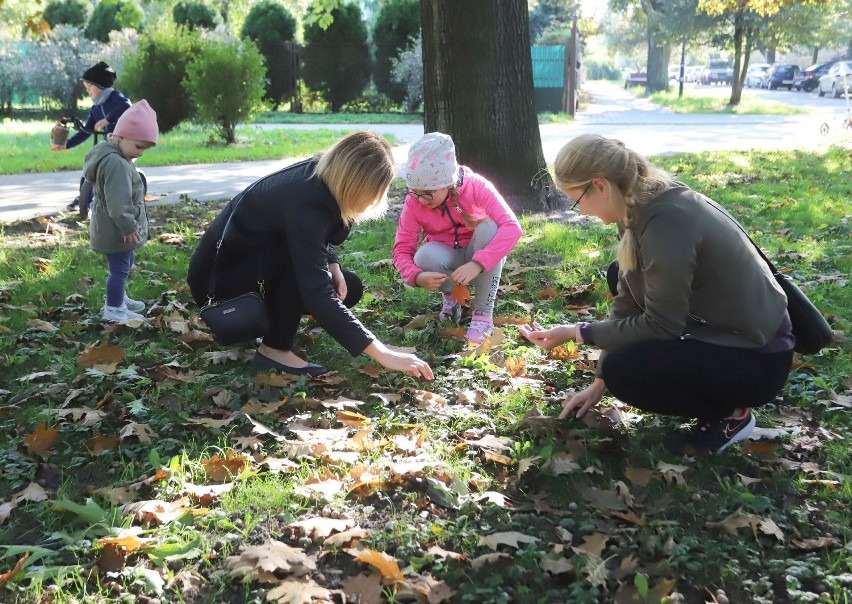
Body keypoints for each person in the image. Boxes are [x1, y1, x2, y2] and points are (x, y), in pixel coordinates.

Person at [520, 134, 794, 453]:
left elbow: (663, 325)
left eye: (576, 201)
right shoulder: (637, 203)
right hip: (724, 331)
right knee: (615, 284)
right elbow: (627, 299)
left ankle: (732, 414)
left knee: (625, 372)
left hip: (758, 359)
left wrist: (578, 333)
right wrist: (599, 381)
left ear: (599, 185)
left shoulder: (666, 223)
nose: (581, 212)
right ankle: (700, 384)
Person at [187, 131, 434, 380]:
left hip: (251, 266)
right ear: (358, 184)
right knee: (308, 276)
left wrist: (332, 264)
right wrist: (384, 354)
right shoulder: (306, 205)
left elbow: (310, 237)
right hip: (218, 284)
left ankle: (275, 321)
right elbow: (316, 290)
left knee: (349, 286)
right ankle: (275, 348)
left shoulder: (318, 179)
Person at [392, 132, 522, 343]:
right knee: (424, 256)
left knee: (489, 227)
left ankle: (482, 314)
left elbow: (512, 227)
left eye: (428, 193)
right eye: (415, 192)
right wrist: (415, 276)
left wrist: (478, 263)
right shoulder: (415, 201)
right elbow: (402, 248)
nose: (421, 200)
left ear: (447, 183)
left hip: (478, 253)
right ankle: (453, 299)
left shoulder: (476, 186)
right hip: (448, 257)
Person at [85, 100, 158, 323]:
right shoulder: (116, 164)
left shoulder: (112, 155)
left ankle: (119, 298)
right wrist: (129, 227)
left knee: (122, 266)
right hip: (117, 228)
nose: (141, 153)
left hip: (111, 226)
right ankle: (114, 309)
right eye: (138, 147)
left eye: (145, 148)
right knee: (119, 270)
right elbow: (118, 203)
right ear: (121, 137)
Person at [52, 61, 132, 214]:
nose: (87, 90)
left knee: (104, 169)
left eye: (90, 86)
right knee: (91, 166)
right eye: (86, 87)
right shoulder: (96, 107)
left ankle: (91, 198)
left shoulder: (115, 97)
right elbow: (86, 131)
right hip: (107, 145)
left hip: (125, 143)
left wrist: (107, 119)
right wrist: (66, 144)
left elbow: (127, 106)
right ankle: (84, 199)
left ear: (101, 85)